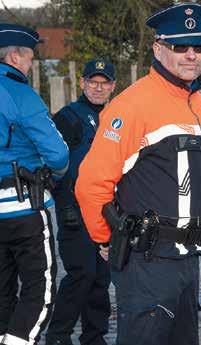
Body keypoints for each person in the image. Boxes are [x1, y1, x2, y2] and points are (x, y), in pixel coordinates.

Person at [75, 3, 201, 345]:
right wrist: (104, 240)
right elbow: (91, 184)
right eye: (179, 46)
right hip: (148, 261)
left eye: (198, 47)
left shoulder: (199, 102)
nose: (191, 55)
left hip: (189, 259)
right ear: (158, 48)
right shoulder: (132, 105)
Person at [0, 24, 69, 345]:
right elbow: (57, 153)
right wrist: (52, 176)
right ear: (15, 56)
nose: (29, 65)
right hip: (24, 207)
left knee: (1, 289)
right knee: (39, 290)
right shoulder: (20, 93)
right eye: (29, 58)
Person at [45, 59, 116, 345]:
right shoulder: (68, 117)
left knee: (101, 278)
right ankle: (58, 335)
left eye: (104, 83)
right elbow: (54, 164)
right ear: (83, 83)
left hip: (106, 211)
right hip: (75, 210)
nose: (98, 88)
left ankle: (94, 337)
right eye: (93, 82)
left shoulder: (117, 117)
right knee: (81, 274)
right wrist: (64, 206)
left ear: (113, 86)